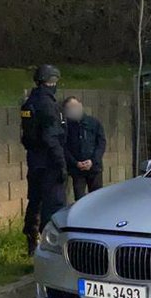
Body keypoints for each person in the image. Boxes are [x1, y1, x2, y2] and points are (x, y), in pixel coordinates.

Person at [21, 65, 68, 255]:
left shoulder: (29, 102)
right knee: (53, 203)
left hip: (34, 160)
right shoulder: (48, 105)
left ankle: (31, 238)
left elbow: (26, 136)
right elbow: (51, 137)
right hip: (49, 162)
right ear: (51, 81)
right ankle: (50, 247)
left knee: (35, 201)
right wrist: (61, 163)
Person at [63, 97, 106, 201]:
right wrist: (75, 163)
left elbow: (101, 143)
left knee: (97, 198)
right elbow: (64, 147)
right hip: (77, 169)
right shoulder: (66, 126)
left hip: (94, 168)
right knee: (80, 199)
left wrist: (93, 161)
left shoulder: (94, 123)